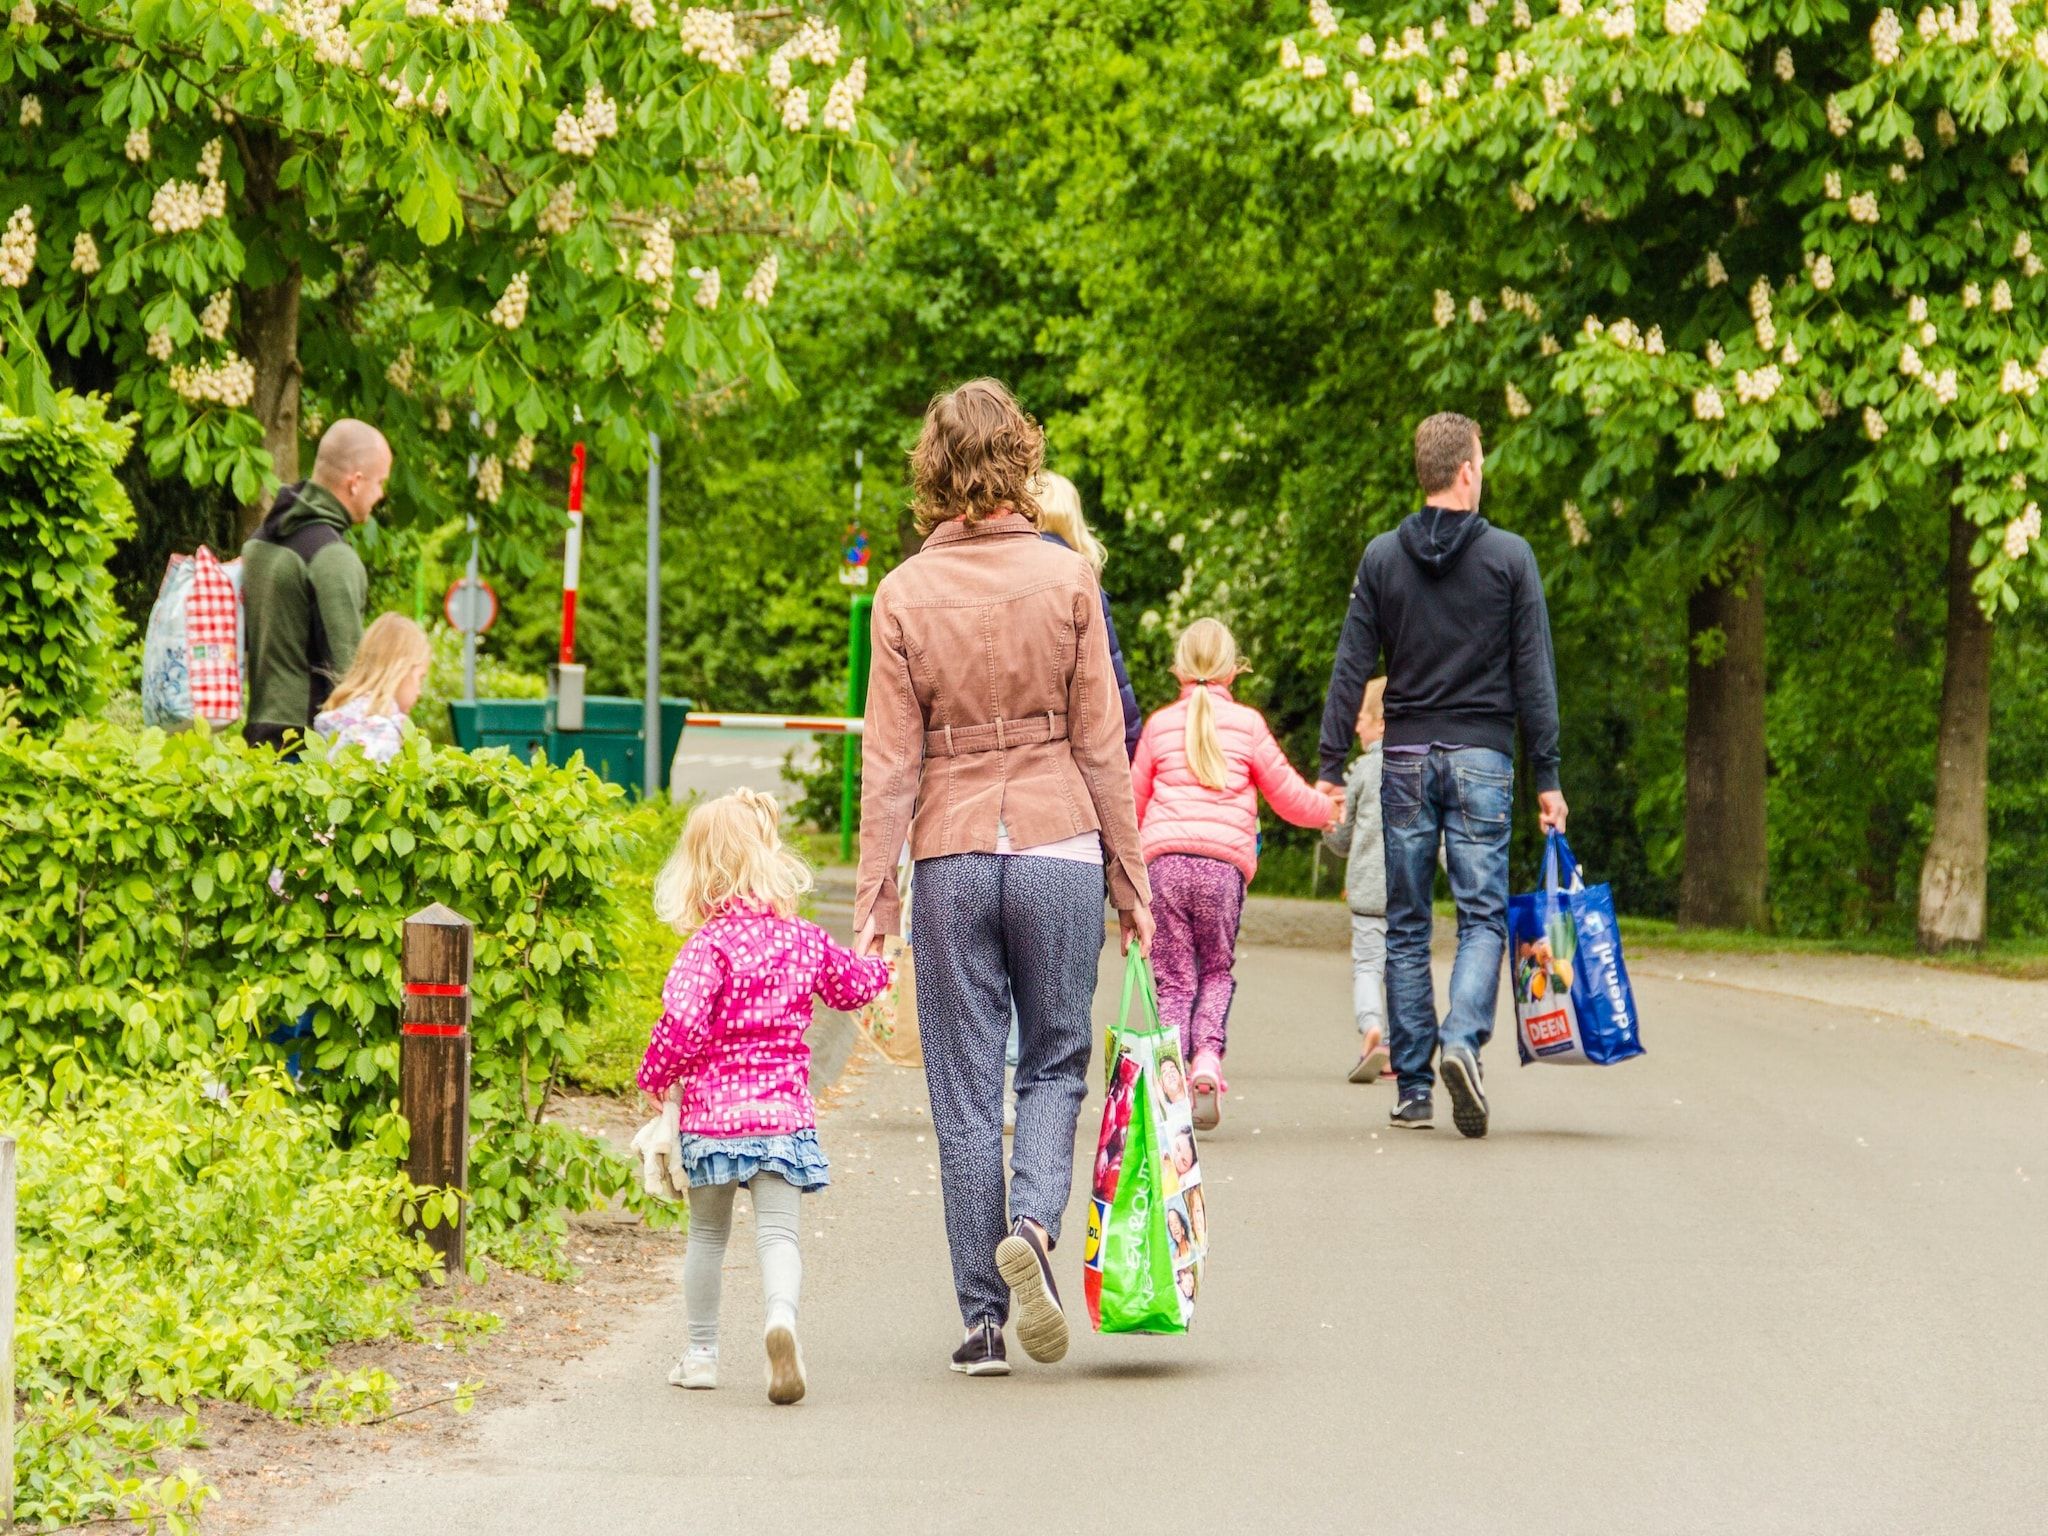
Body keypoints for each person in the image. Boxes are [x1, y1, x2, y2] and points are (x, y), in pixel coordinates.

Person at [854, 378, 1152, 1380]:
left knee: (965, 1089)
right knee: (1057, 1057)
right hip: (1060, 840)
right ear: (1020, 458)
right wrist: (1131, 881)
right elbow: (1103, 746)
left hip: (949, 855)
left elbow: (889, 766)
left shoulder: (900, 593)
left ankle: (982, 1322)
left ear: (933, 469)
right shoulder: (1068, 581)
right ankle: (1032, 1220)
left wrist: (875, 903)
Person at [1315, 412, 1567, 1139]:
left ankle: (1416, 1089)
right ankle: (1462, 1039)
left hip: (1403, 759)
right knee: (1483, 914)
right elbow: (1535, 677)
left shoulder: (1381, 560)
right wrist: (1546, 773)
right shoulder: (1510, 559)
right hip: (1484, 758)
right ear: (1466, 472)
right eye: (1481, 463)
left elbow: (1351, 667)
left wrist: (1333, 764)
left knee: (1405, 923)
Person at [636, 790, 892, 1405]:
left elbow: (682, 1024)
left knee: (707, 1237)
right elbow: (854, 987)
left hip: (713, 1120)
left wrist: (654, 1077)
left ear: (698, 872)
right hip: (781, 1116)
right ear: (771, 859)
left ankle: (700, 1354)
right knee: (779, 1236)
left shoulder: (707, 948)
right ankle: (781, 1320)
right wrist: (880, 962)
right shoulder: (802, 940)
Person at [1131, 618, 1332, 1131]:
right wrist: (1327, 810)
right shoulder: (1247, 725)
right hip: (1222, 870)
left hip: (1165, 866)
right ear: (1233, 669)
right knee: (1216, 970)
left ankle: (1172, 1083)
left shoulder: (1158, 726)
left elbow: (1131, 803)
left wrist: (1118, 866)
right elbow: (1287, 794)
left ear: (1179, 667)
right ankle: (1207, 1061)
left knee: (1174, 979)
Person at [1001, 469, 1143, 1135]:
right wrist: (1128, 868)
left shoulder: (982, 580)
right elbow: (1115, 715)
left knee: (993, 968)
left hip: (973, 822)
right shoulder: (1082, 585)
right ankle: (1035, 1187)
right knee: (1056, 1019)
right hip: (1066, 823)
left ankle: (1004, 1079)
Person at [242, 420, 393, 754]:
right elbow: (349, 673)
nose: (381, 494)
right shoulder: (331, 557)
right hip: (306, 748)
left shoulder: (260, 542)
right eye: (380, 482)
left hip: (257, 740)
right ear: (355, 483)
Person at [1322, 677, 1390, 1084]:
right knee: (1403, 968)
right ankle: (1402, 1047)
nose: (1356, 727)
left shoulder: (1362, 771)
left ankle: (1371, 1028)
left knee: (1368, 965)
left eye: (1362, 719)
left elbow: (1344, 840)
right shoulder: (1422, 766)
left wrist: (1327, 820)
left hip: (1367, 891)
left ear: (1381, 724)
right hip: (1406, 892)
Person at [312, 614, 432, 764]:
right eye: (420, 678)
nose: (419, 692)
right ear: (400, 670)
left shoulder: (340, 717)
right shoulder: (382, 732)